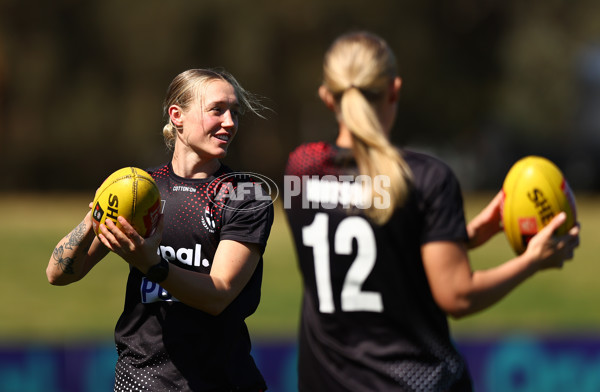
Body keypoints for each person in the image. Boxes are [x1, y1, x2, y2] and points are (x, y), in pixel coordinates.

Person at [283, 31, 580, 392]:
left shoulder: (301, 169)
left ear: (327, 97)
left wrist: (461, 238)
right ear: (394, 89)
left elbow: (370, 250)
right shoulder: (426, 179)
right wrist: (532, 260)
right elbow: (458, 295)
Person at [47, 68, 274, 392]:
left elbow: (218, 295)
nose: (230, 123)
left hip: (221, 382)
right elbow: (59, 274)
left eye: (234, 113)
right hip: (141, 381)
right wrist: (93, 217)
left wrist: (151, 264)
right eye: (217, 110)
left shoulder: (244, 194)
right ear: (176, 116)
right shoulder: (140, 191)